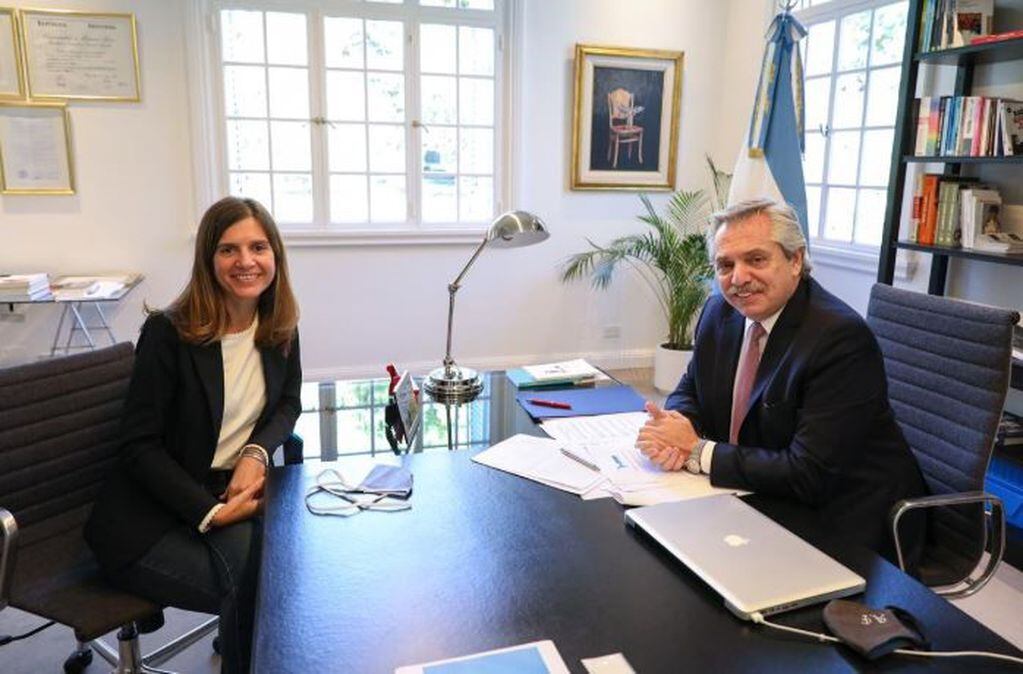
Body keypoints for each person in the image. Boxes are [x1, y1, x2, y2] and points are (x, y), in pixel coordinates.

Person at [636, 197, 925, 561]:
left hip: (842, 519)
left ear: (795, 260)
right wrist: (674, 427)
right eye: (725, 265)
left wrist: (697, 450)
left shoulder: (839, 338)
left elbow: (809, 473)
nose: (738, 278)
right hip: (758, 492)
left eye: (756, 259)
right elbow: (692, 389)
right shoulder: (719, 311)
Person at [85, 196, 301, 674]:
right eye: (229, 250)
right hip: (149, 516)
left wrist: (256, 452)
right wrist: (212, 512)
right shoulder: (169, 333)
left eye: (258, 247)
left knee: (290, 567)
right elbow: (138, 446)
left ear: (275, 257)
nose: (246, 262)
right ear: (208, 260)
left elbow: (288, 403)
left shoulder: (279, 324)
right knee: (255, 589)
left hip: (228, 486)